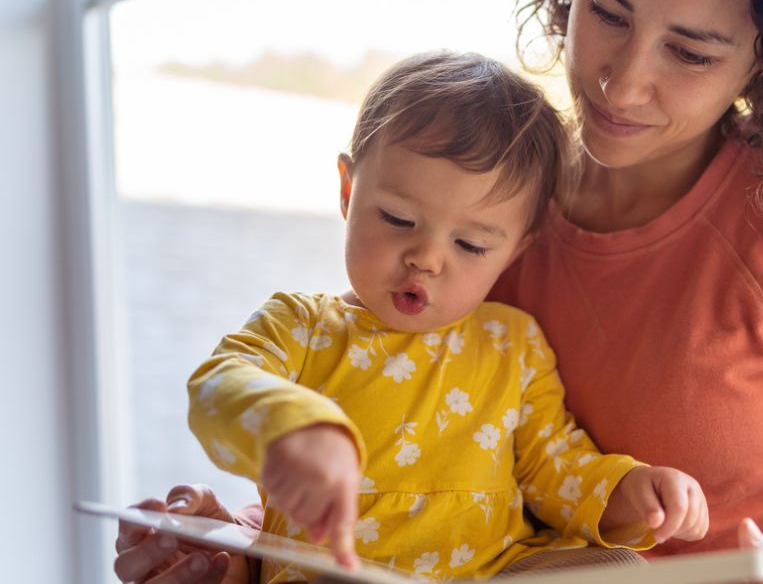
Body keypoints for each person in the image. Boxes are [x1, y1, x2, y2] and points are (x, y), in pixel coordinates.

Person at [114, 0, 763, 582]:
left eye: (690, 52)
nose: (621, 80)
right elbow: (410, 453)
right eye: (606, 8)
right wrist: (240, 548)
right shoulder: (482, 212)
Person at [127, 50, 711, 583]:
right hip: (331, 571)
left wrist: (630, 492)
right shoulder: (300, 328)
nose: (426, 259)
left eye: (472, 246)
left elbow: (554, 468)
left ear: (517, 248)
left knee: (621, 569)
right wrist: (292, 429)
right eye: (399, 219)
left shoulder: (513, 344)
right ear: (348, 192)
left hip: (493, 572)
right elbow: (217, 385)